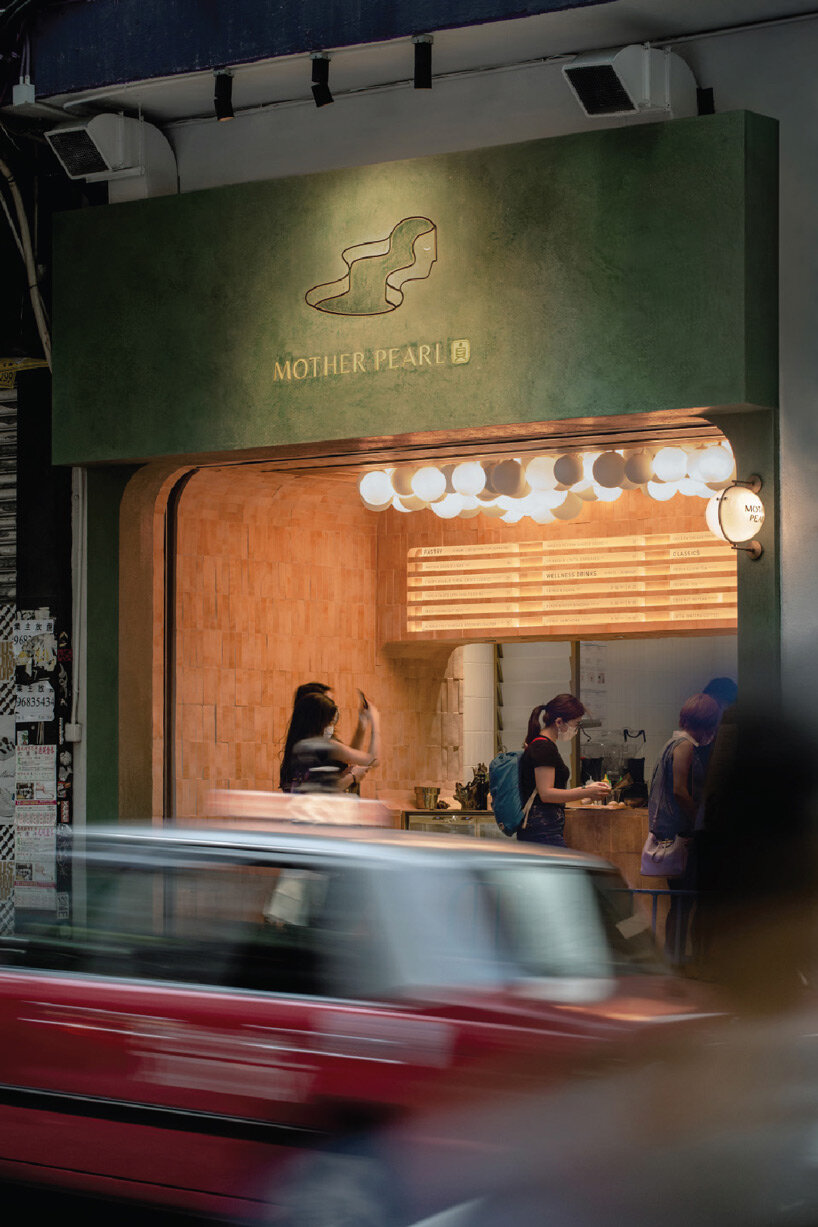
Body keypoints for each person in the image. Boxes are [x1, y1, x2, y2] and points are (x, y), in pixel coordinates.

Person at [647, 693, 721, 964]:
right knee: (683, 901)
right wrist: (699, 819)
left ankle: (675, 956)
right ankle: (677, 959)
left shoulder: (671, 743)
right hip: (682, 835)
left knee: (679, 901)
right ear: (707, 724)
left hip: (672, 833)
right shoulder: (685, 747)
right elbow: (679, 791)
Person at [517, 695, 611, 847]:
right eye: (576, 724)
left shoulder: (544, 745)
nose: (576, 730)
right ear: (559, 722)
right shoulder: (543, 747)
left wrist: (586, 797)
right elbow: (547, 794)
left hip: (543, 827)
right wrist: (586, 790)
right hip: (542, 828)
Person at [280, 691, 380, 793]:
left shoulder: (299, 746)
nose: (331, 726)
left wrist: (361, 726)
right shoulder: (326, 746)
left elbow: (317, 786)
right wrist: (375, 720)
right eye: (330, 722)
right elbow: (373, 760)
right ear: (318, 722)